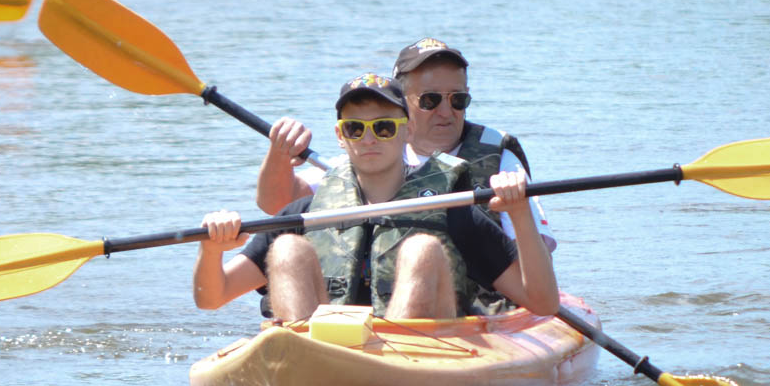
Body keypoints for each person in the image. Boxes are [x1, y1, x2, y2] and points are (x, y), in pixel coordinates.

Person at [196, 74, 558, 323]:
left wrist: (520, 213)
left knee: (422, 250)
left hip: (421, 350)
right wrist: (212, 249)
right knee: (288, 249)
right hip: (322, 357)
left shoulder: (451, 212)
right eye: (356, 128)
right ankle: (300, 353)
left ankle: (395, 367)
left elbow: (542, 302)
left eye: (384, 128)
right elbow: (212, 297)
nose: (369, 139)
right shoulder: (305, 213)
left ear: (408, 131)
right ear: (341, 136)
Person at [254, 37, 551, 245]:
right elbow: (276, 204)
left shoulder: (498, 156)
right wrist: (279, 153)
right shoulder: (374, 150)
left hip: (480, 308)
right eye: (430, 100)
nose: (447, 112)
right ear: (402, 105)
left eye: (458, 99)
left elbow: (539, 251)